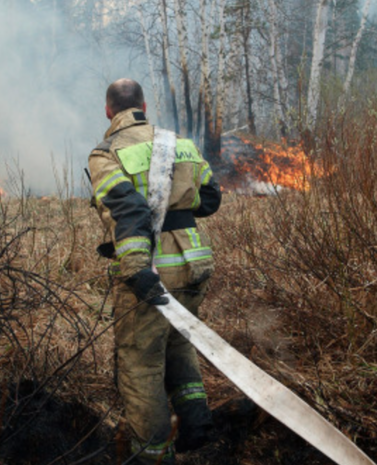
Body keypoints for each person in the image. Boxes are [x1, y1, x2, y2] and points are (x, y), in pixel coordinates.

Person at [88, 78, 222, 464]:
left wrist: (135, 268)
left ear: (109, 111)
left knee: (141, 364)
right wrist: (177, 203)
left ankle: (152, 456)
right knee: (178, 342)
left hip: (151, 271)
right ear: (144, 106)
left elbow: (126, 211)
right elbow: (210, 199)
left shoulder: (106, 153)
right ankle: (197, 423)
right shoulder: (179, 142)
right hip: (195, 265)